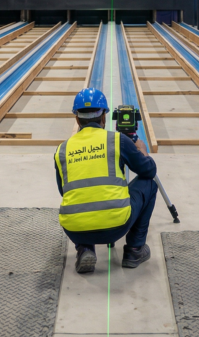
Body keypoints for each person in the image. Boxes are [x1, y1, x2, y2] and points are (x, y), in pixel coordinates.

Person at [54, 88, 158, 274]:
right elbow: (149, 171)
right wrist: (142, 150)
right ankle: (134, 250)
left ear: (77, 119)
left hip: (74, 229)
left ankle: (84, 248)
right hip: (116, 227)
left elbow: (64, 191)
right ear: (104, 117)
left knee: (79, 198)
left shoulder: (62, 149)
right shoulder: (117, 140)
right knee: (149, 183)